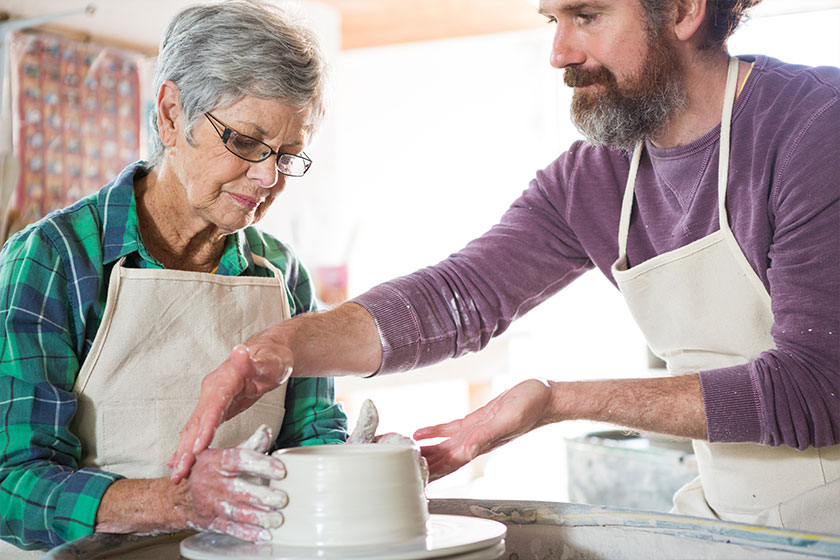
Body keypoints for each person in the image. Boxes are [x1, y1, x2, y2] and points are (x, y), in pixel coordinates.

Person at [172, 0, 840, 534]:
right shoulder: (595, 176)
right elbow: (459, 298)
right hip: (733, 521)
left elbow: (818, 389)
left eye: (587, 16)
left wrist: (557, 400)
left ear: (686, 11)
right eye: (554, 21)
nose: (559, 53)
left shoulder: (814, 129)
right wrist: (278, 350)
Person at [0, 1, 347, 555]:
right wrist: (174, 501)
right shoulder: (54, 261)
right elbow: (11, 485)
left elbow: (313, 436)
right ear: (169, 115)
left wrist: (359, 465)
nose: (267, 177)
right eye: (246, 142)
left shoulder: (282, 274)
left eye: (286, 155)